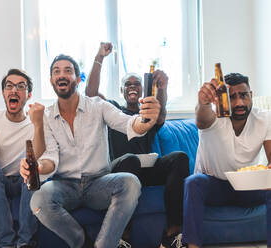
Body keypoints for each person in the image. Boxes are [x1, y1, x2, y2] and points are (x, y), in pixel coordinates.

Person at [20, 54, 160, 248]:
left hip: (98, 183)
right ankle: (80, 241)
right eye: (56, 71)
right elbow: (50, 159)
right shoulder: (46, 116)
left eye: (68, 71)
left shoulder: (99, 106)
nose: (62, 75)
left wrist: (146, 120)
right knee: (38, 198)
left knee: (131, 182)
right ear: (51, 80)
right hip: (65, 185)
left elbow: (128, 123)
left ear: (77, 79)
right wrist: (36, 166)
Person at [85, 42, 190, 248]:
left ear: (143, 89)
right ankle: (123, 237)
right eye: (128, 84)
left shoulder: (148, 112)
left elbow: (160, 113)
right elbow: (91, 94)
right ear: (122, 90)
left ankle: (173, 234)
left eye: (136, 84)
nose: (132, 87)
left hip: (146, 171)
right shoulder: (112, 110)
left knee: (180, 158)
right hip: (121, 170)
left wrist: (162, 88)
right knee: (130, 160)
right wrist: (99, 57)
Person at [182, 73, 271, 248]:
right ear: (222, 99)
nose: (239, 103)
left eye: (243, 95)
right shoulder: (214, 117)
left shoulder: (265, 118)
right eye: (232, 97)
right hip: (214, 185)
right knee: (193, 182)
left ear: (251, 95)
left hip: (247, 186)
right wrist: (203, 103)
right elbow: (202, 119)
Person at [0, 69, 46, 248]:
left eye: (20, 86)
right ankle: (6, 243)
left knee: (32, 169)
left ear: (28, 95)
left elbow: (38, 157)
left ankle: (25, 243)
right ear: (4, 93)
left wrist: (39, 126)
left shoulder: (35, 121)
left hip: (25, 181)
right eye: (9, 86)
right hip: (0, 182)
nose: (14, 90)